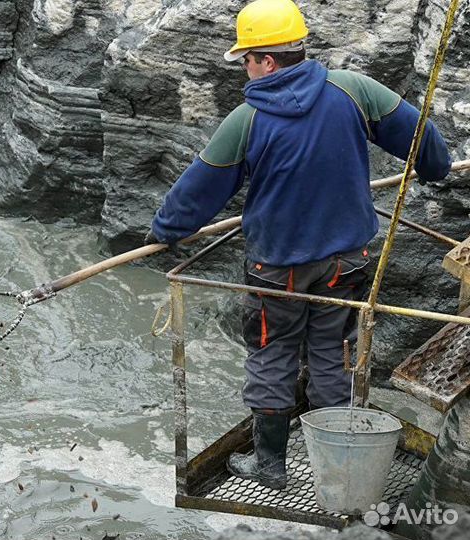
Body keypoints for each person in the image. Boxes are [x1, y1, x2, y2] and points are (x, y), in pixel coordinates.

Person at [145, 0, 451, 490]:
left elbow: (195, 196)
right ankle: (337, 466)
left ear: (266, 60)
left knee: (273, 356)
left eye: (246, 57)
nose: (244, 66)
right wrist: (436, 170)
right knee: (332, 352)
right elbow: (420, 136)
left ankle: (271, 468)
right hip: (347, 262)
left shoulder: (245, 121)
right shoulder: (354, 90)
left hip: (278, 268)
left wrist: (163, 233)